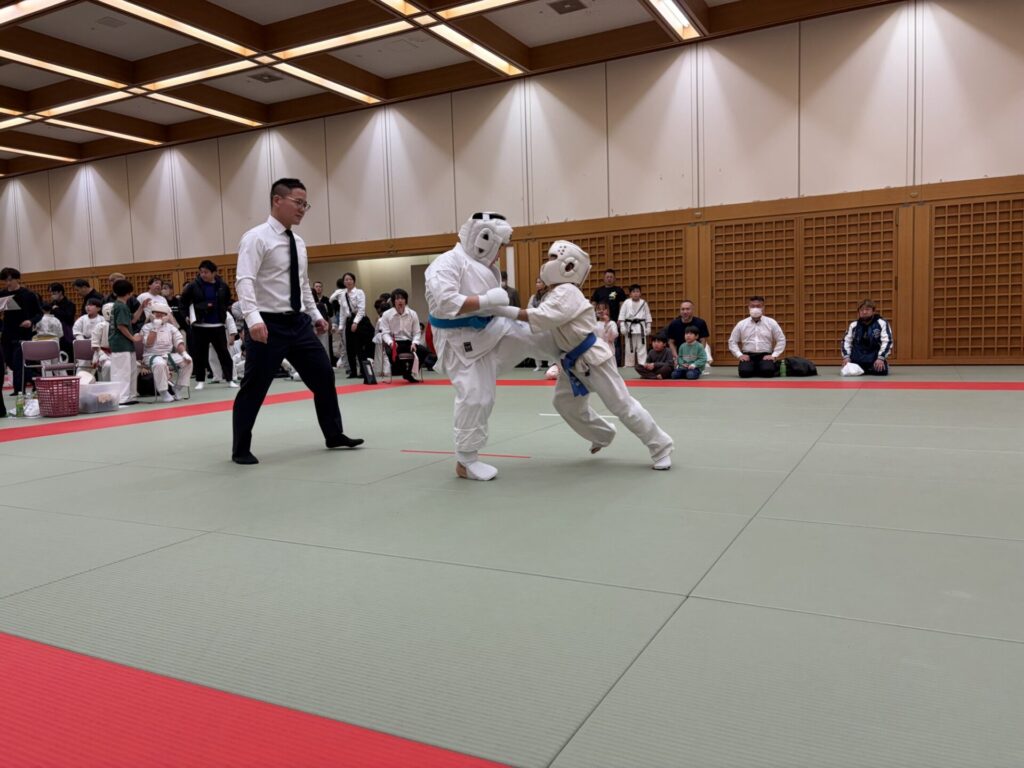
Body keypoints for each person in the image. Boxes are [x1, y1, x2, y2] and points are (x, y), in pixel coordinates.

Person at [501, 241, 673, 470]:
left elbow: (544, 317)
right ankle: (602, 434)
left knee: (622, 405)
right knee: (564, 403)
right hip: (571, 362)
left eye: (553, 258)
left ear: (568, 265)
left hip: (593, 358)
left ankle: (661, 446)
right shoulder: (555, 292)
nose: (548, 263)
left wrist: (504, 310)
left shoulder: (568, 291)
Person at [232, 177, 363, 465]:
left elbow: (303, 284)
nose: (303, 208)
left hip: (298, 323)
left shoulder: (299, 243)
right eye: (298, 202)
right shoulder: (256, 237)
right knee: (255, 386)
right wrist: (252, 318)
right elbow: (244, 280)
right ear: (277, 200)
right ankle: (240, 448)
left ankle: (334, 434)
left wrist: (315, 315)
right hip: (266, 323)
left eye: (306, 204)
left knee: (324, 375)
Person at [425, 211, 558, 481]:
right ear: (483, 240)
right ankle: (466, 461)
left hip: (489, 328)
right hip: (456, 340)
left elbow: (494, 307)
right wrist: (485, 300)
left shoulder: (480, 264)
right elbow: (445, 302)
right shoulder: (446, 263)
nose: (498, 256)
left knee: (530, 335)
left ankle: (570, 355)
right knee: (476, 395)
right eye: (498, 248)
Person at [180, 260, 236, 391]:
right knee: (200, 354)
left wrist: (221, 312)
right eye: (201, 272)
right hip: (200, 326)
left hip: (218, 325)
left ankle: (230, 379)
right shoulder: (193, 286)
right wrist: (187, 315)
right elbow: (183, 302)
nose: (203, 275)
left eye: (206, 272)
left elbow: (227, 300)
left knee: (224, 353)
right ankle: (200, 381)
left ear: (214, 273)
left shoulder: (222, 286)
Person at [0, 267, 43, 394]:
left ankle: (19, 390)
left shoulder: (28, 294)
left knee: (18, 361)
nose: (8, 283)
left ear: (17, 279)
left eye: (10, 280)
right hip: (7, 332)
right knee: (9, 361)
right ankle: (35, 378)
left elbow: (39, 313)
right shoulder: (2, 294)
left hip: (23, 332)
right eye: (5, 280)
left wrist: (31, 321)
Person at [141, 300, 193, 402]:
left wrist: (184, 353)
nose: (159, 316)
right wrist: (155, 327)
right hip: (151, 356)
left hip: (168, 355)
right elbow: (148, 343)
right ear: (152, 314)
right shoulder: (146, 327)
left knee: (188, 362)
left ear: (166, 316)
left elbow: (178, 341)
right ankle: (163, 392)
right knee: (160, 363)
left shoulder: (171, 328)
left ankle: (177, 388)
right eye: (157, 313)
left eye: (162, 314)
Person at [728, 296, 786, 378]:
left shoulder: (771, 322)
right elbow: (732, 341)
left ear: (763, 307)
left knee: (768, 372)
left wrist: (773, 355)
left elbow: (781, 339)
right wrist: (739, 355)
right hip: (748, 356)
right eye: (752, 306)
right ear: (749, 307)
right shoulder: (741, 324)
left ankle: (760, 368)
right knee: (744, 373)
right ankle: (755, 368)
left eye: (758, 306)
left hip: (765, 355)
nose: (755, 308)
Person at [330, 272, 370, 379]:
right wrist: (341, 326)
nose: (348, 281)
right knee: (349, 348)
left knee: (359, 347)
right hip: (348, 321)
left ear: (354, 281)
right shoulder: (343, 294)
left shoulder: (359, 292)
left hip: (359, 321)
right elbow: (342, 312)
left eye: (350, 279)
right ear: (344, 282)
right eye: (346, 280)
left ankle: (363, 371)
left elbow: (361, 309)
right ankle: (353, 371)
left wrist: (355, 322)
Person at [379, 288, 423, 384]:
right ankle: (403, 371)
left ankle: (409, 373)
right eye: (397, 299)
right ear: (393, 301)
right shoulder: (386, 314)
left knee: (424, 351)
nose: (400, 301)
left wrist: (415, 343)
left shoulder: (412, 314)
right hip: (394, 342)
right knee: (390, 352)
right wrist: (390, 343)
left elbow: (417, 332)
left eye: (402, 298)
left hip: (408, 342)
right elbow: (384, 333)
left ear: (406, 301)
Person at [108, 279, 139, 404]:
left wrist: (142, 307)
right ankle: (121, 398)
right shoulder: (120, 306)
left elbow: (133, 320)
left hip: (125, 345)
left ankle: (130, 396)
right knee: (122, 372)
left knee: (130, 371)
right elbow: (121, 326)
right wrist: (133, 338)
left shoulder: (120, 305)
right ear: (129, 293)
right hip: (120, 344)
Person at [842, 299, 893, 375]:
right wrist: (846, 357)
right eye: (862, 310)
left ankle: (879, 365)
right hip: (857, 357)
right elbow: (846, 341)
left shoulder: (882, 323)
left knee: (881, 371)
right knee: (850, 372)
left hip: (874, 358)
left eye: (867, 309)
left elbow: (887, 341)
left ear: (873, 311)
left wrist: (881, 358)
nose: (864, 312)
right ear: (859, 311)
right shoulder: (853, 325)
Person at [590, 268, 626, 365]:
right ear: (604, 278)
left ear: (614, 279)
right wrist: (592, 317)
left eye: (611, 277)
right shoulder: (598, 291)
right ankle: (599, 361)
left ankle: (617, 363)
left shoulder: (619, 290)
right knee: (599, 340)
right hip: (600, 321)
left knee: (614, 341)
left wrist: (621, 318)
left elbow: (622, 305)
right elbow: (593, 304)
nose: (609, 278)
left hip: (614, 320)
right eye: (607, 277)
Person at [618, 284, 651, 367]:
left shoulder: (644, 303)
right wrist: (622, 326)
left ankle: (642, 364)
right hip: (630, 328)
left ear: (640, 293)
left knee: (642, 347)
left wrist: (648, 326)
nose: (636, 293)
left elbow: (648, 315)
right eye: (633, 292)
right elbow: (622, 315)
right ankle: (629, 364)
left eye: (637, 291)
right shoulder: (626, 302)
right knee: (629, 347)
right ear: (630, 294)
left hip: (641, 328)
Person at [529, 277, 550, 372]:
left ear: (544, 284)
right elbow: (529, 307)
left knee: (549, 344)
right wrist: (536, 311)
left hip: (546, 323)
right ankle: (538, 365)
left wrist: (537, 311)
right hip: (536, 322)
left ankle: (550, 364)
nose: (537, 284)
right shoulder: (533, 297)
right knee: (535, 344)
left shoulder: (549, 295)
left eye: (539, 282)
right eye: (536, 282)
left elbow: (546, 308)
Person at [48, 283, 76, 354]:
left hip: (66, 333)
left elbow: (69, 318)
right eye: (51, 293)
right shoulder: (51, 304)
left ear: (60, 292)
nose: (52, 295)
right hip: (54, 333)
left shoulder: (70, 304)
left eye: (54, 293)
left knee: (68, 353)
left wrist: (57, 310)